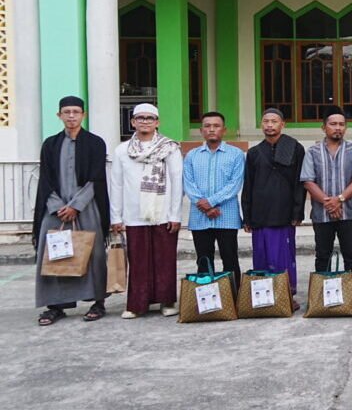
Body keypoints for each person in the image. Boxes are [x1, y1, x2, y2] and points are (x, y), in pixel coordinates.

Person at [33, 96, 111, 326]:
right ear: (59, 115)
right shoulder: (50, 144)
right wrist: (58, 207)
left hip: (87, 207)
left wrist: (76, 205)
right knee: (53, 253)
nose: (71, 116)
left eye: (76, 112)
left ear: (83, 115)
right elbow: (45, 179)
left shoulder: (95, 143)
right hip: (54, 208)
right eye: (66, 112)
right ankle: (55, 306)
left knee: (94, 254)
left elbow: (97, 178)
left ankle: (98, 302)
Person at [110, 103, 183, 319]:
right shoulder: (122, 150)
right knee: (138, 261)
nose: (145, 121)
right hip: (134, 214)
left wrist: (175, 215)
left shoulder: (169, 148)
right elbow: (116, 184)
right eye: (140, 118)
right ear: (132, 122)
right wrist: (116, 216)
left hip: (163, 213)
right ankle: (136, 304)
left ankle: (167, 301)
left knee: (165, 260)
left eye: (150, 118)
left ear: (157, 122)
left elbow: (177, 181)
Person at [300, 105, 352, 308]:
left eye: (341, 124)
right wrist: (329, 203)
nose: (337, 128)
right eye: (333, 124)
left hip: (349, 213)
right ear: (324, 127)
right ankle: (322, 297)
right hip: (322, 214)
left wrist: (340, 199)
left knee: (351, 255)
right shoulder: (312, 152)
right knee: (322, 255)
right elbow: (308, 181)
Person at [241, 108, 305, 310]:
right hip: (260, 214)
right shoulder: (254, 153)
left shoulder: (294, 148)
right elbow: (248, 185)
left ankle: (286, 295)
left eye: (274, 121)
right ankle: (264, 297)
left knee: (283, 256)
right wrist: (247, 216)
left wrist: (297, 212)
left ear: (282, 124)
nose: (269, 125)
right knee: (262, 256)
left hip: (284, 214)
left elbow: (299, 183)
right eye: (266, 121)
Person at [182, 111, 244, 289]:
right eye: (207, 126)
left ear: (224, 130)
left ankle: (232, 298)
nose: (211, 129)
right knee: (203, 260)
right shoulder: (192, 155)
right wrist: (206, 206)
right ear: (201, 131)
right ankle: (207, 300)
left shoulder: (236, 154)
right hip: (200, 218)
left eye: (216, 126)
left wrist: (211, 202)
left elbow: (235, 184)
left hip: (226, 216)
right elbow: (189, 183)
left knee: (230, 259)